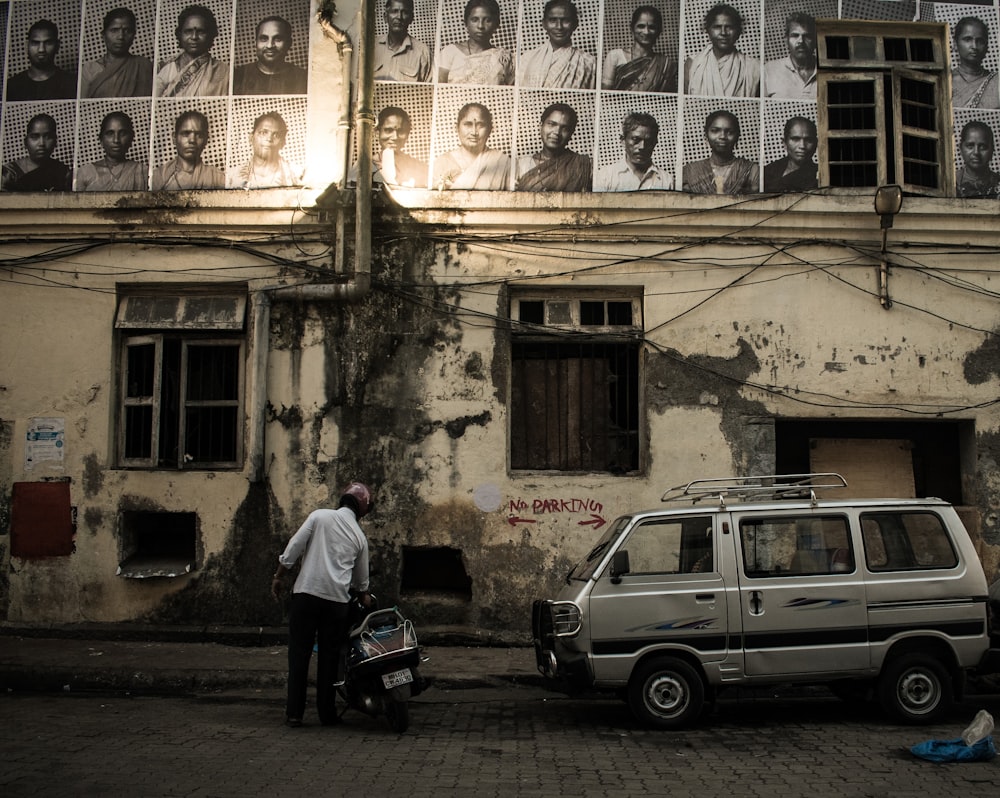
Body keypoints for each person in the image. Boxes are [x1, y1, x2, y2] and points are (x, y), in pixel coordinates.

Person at [271, 482, 374, 728]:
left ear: (343, 500)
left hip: (306, 595)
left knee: (299, 655)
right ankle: (327, 714)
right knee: (329, 659)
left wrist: (278, 576)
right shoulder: (360, 537)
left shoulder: (319, 516)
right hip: (337, 602)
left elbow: (294, 548)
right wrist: (365, 599)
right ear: (362, 509)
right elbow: (362, 583)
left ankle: (294, 714)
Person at [685, 4, 759, 98]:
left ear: (738, 31)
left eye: (729, 27)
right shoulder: (692, 63)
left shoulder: (753, 67)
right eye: (717, 27)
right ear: (708, 30)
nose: (723, 33)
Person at [518, 0, 596, 89]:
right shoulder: (527, 58)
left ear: (575, 24)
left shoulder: (588, 62)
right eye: (553, 20)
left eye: (566, 20)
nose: (559, 27)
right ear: (544, 24)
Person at [155, 5, 230, 97]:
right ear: (180, 34)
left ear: (210, 35)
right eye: (188, 31)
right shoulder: (165, 67)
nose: (194, 37)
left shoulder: (223, 70)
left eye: (201, 31)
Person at [515, 103, 592, 191]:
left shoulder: (581, 165)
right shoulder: (522, 165)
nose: (557, 132)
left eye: (564, 128)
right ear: (541, 125)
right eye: (551, 124)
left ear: (571, 133)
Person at [432, 102, 510, 189]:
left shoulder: (502, 162)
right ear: (457, 128)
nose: (474, 132)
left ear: (490, 130)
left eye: (481, 125)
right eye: (468, 125)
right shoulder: (442, 163)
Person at [80, 8, 154, 98]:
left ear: (134, 35)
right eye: (114, 30)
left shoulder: (144, 65)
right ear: (103, 35)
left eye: (127, 31)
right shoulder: (90, 69)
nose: (121, 36)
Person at [601, 5, 676, 93]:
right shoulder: (614, 56)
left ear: (659, 31)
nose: (646, 32)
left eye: (652, 27)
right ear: (632, 28)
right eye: (641, 26)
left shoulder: (666, 64)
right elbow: (605, 96)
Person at [682, 109, 758, 194]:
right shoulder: (690, 171)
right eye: (715, 131)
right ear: (706, 135)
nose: (722, 136)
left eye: (730, 132)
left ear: (737, 136)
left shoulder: (751, 170)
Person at [438, 0, 514, 85]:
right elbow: (438, 91)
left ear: (496, 24)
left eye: (488, 20)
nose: (480, 26)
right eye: (474, 20)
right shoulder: (449, 52)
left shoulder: (504, 58)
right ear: (466, 23)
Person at [595, 112, 673, 190]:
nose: (642, 147)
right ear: (623, 141)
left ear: (655, 143)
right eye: (636, 140)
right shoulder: (605, 176)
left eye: (648, 141)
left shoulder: (667, 181)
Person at [227, 112, 304, 189]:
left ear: (282, 143)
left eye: (276, 135)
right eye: (263, 133)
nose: (269, 139)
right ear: (251, 138)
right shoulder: (231, 177)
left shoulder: (297, 176)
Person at [233, 16, 308, 95]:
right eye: (263, 39)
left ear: (289, 43)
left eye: (277, 39)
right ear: (256, 43)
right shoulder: (238, 76)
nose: (270, 45)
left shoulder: (304, 78)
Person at [5, 19, 78, 101]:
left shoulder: (72, 83)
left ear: (57, 46)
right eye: (35, 43)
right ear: (26, 46)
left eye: (48, 43)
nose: (41, 49)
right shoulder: (11, 86)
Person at [152, 110, 225, 190]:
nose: (192, 140)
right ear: (174, 138)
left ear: (206, 140)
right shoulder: (158, 177)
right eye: (186, 134)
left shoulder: (218, 178)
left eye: (198, 135)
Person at [76, 112, 148, 191]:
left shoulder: (140, 170)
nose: (116, 140)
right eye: (110, 133)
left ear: (131, 138)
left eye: (122, 133)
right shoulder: (85, 172)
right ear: (101, 139)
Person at [2, 114, 72, 191]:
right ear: (26, 142)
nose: (41, 143)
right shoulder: (10, 173)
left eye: (48, 137)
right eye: (35, 137)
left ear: (55, 141)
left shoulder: (63, 172)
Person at [374, 0, 432, 82]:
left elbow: (430, 91)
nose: (399, 17)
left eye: (404, 12)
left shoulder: (423, 52)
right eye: (394, 11)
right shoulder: (371, 48)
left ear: (411, 18)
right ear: (385, 17)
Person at [762, 12, 816, 100]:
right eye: (795, 35)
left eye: (807, 36)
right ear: (786, 40)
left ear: (815, 40)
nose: (801, 41)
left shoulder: (828, 72)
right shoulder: (769, 70)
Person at [951, 16, 999, 110]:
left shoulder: (997, 81)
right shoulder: (945, 81)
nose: (974, 46)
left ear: (987, 46)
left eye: (980, 41)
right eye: (967, 39)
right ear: (955, 44)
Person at [375, 107, 430, 187]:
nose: (395, 137)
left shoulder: (419, 167)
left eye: (401, 131)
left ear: (407, 134)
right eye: (388, 130)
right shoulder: (367, 166)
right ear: (377, 133)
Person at [763, 116, 817, 192]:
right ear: (784, 142)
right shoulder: (769, 170)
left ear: (816, 143)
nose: (802, 146)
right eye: (795, 139)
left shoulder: (818, 176)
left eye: (808, 140)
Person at [956, 120, 1000, 198]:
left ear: (992, 149)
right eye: (970, 146)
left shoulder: (998, 182)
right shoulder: (951, 182)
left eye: (983, 147)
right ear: (961, 148)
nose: (976, 152)